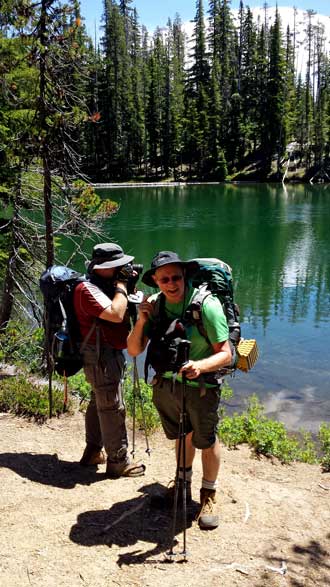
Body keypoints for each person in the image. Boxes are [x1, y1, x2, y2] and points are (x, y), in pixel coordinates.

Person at [127, 251, 232, 529]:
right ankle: (181, 486)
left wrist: (201, 365)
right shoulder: (157, 307)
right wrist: (141, 320)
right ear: (156, 282)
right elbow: (134, 349)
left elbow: (227, 354)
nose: (171, 283)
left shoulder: (206, 306)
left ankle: (208, 494)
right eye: (165, 279)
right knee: (181, 435)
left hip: (201, 387)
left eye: (176, 277)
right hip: (166, 385)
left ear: (184, 276)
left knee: (206, 439)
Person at [74, 242, 145, 478]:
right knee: (112, 406)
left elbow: (121, 307)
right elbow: (115, 314)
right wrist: (123, 285)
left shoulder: (103, 285)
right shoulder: (87, 289)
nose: (121, 269)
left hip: (106, 353)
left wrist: (127, 289)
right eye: (117, 266)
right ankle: (118, 460)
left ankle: (93, 451)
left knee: (99, 401)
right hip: (100, 356)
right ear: (101, 268)